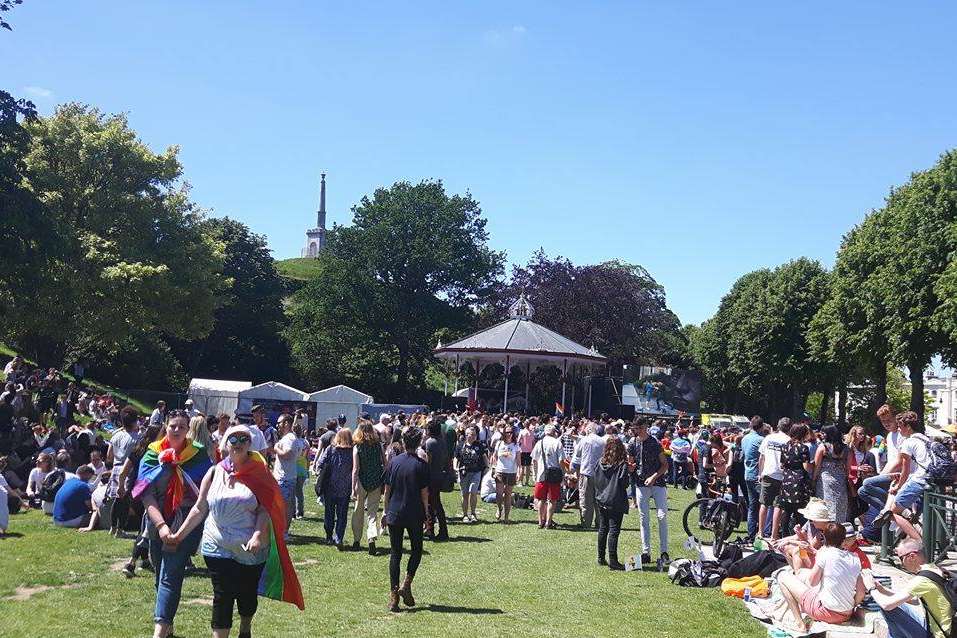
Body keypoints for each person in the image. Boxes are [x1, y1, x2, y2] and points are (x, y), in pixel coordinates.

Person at [170, 425, 305, 637]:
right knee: (222, 595)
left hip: (249, 547)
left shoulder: (260, 474)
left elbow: (265, 509)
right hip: (216, 544)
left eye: (244, 439)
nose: (239, 443)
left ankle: (245, 626)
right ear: (225, 444)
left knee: (246, 595)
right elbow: (199, 507)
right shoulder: (214, 473)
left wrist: (258, 534)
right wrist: (179, 535)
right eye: (234, 439)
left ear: (250, 444)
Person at [132, 409, 214, 638]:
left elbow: (203, 497)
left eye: (181, 426)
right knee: (159, 572)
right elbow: (145, 494)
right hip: (157, 520)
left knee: (171, 571)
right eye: (172, 426)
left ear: (188, 430)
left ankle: (159, 630)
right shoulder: (152, 454)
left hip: (186, 521)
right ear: (165, 428)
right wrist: (161, 526)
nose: (176, 430)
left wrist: (179, 529)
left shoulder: (198, 456)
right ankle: (168, 624)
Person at [777, 522, 864, 632]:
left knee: (782, 576)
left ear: (825, 538)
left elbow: (812, 582)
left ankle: (799, 624)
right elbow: (861, 592)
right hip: (846, 614)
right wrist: (849, 606)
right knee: (801, 571)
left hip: (825, 612)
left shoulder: (825, 554)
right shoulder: (855, 558)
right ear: (843, 540)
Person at [862, 538, 953, 638]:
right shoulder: (934, 569)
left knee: (887, 608)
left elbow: (886, 605)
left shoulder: (921, 580)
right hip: (941, 628)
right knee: (893, 605)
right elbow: (914, 601)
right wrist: (882, 590)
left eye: (901, 558)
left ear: (912, 556)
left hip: (938, 635)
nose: (901, 563)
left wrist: (871, 588)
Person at [383, 426, 430, 613]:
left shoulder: (394, 462)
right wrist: (427, 515)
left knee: (395, 554)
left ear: (403, 442)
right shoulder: (421, 465)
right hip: (414, 512)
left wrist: (385, 512)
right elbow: (424, 493)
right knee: (416, 550)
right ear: (418, 443)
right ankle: (406, 584)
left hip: (394, 511)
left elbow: (386, 490)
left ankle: (394, 596)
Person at [872, 411, 931, 541]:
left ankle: (921, 542)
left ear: (908, 427)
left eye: (900, 426)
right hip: (930, 481)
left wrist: (898, 486)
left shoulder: (908, 442)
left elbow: (905, 469)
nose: (898, 429)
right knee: (914, 513)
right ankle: (909, 517)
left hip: (918, 480)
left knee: (891, 512)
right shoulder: (925, 438)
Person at [858, 404, 904, 540]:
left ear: (896, 418)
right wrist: (882, 474)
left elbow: (899, 460)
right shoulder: (890, 436)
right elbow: (891, 460)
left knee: (867, 483)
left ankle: (892, 509)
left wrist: (882, 475)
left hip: (900, 475)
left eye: (889, 420)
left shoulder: (902, 434)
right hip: (891, 474)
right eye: (883, 421)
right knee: (862, 491)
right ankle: (891, 509)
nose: (886, 424)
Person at [628, 418, 670, 566]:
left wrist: (654, 476)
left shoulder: (655, 443)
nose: (637, 430)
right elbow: (631, 463)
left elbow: (665, 465)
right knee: (643, 518)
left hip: (657, 483)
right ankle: (646, 552)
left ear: (645, 427)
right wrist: (630, 467)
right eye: (635, 428)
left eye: (639, 427)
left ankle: (664, 551)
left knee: (662, 516)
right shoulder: (632, 443)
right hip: (640, 484)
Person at [594, 437, 629, 570]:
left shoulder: (599, 462)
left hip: (602, 498)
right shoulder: (622, 464)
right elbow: (624, 483)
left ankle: (601, 557)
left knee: (603, 528)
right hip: (615, 499)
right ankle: (613, 561)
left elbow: (595, 478)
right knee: (614, 530)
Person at [106, 406, 142, 535]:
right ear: (134, 421)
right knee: (126, 501)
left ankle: (113, 527)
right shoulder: (137, 438)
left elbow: (109, 456)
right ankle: (120, 529)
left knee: (116, 500)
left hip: (116, 467)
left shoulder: (115, 435)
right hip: (128, 468)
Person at [351, 420, 385, 554]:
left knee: (358, 510)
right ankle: (371, 536)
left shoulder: (357, 447)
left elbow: (355, 469)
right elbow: (385, 463)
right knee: (372, 512)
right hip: (376, 480)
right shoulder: (378, 446)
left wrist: (353, 487)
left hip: (361, 481)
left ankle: (356, 540)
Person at [316, 428, 354, 549]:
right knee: (342, 515)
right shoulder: (352, 451)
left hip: (330, 487)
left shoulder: (331, 449)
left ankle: (328, 536)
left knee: (329, 513)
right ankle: (339, 538)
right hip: (345, 488)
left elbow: (320, 463)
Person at [759, 417, 792, 540]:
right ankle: (774, 535)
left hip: (768, 473)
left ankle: (760, 533)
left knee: (764, 504)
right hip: (783, 476)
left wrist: (760, 472)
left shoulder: (769, 438)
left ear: (778, 426)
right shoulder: (789, 441)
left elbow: (761, 457)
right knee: (778, 506)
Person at [778, 423, 814, 534]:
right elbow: (806, 467)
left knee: (786, 511)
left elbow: (782, 465)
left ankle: (784, 534)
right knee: (800, 511)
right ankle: (801, 535)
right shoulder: (803, 448)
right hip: (799, 481)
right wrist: (814, 464)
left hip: (786, 479)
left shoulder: (784, 446)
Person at [272, 415, 302, 538]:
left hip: (285, 478)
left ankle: (284, 532)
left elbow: (287, 454)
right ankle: (282, 530)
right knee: (284, 506)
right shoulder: (288, 437)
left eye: (279, 422)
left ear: (286, 423)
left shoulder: (289, 438)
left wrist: (276, 449)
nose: (277, 425)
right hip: (285, 477)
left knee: (284, 506)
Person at [813, 425, 850, 524]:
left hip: (825, 479)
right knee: (839, 504)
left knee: (824, 503)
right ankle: (838, 526)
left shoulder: (823, 447)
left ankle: (825, 527)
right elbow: (848, 468)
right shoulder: (846, 448)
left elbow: (817, 465)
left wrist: (813, 479)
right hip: (840, 479)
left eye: (824, 433)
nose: (822, 435)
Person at [531, 423, 566, 529]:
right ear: (554, 432)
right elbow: (561, 461)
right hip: (554, 475)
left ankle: (540, 521)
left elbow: (534, 459)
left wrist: (535, 473)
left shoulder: (539, 443)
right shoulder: (557, 443)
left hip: (541, 474)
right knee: (552, 500)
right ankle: (548, 521)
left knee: (541, 499)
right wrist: (563, 473)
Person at [571, 423, 605, 529]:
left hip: (586, 472)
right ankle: (600, 523)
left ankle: (586, 522)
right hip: (600, 474)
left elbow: (578, 454)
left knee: (586, 499)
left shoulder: (584, 440)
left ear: (589, 429)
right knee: (599, 500)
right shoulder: (602, 441)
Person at [423, 417, 449, 540]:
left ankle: (432, 530)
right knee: (435, 503)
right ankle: (434, 529)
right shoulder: (442, 441)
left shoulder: (430, 442)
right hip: (440, 474)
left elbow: (428, 461)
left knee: (432, 504)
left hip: (431, 476)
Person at [454, 426, 488, 522]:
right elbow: (456, 457)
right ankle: (465, 515)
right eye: (471, 435)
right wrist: (455, 467)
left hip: (476, 472)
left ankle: (473, 513)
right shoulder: (460, 445)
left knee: (473, 492)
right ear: (466, 435)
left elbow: (484, 456)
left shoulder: (479, 445)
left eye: (475, 435)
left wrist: (487, 467)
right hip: (464, 472)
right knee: (464, 494)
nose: (473, 436)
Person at [741, 416, 766, 539]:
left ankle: (750, 533)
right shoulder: (762, 440)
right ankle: (763, 532)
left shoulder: (744, 438)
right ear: (761, 427)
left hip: (747, 474)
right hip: (758, 475)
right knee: (764, 504)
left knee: (752, 505)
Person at [490, 426, 521, 523]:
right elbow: (494, 457)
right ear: (504, 433)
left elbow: (518, 461)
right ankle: (499, 508)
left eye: (511, 432)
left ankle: (506, 517)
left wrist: (519, 472)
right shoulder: (499, 443)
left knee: (508, 495)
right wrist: (493, 467)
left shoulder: (516, 446)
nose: (509, 434)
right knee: (499, 494)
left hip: (511, 472)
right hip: (500, 471)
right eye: (507, 432)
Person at [518, 420, 537, 486]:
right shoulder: (532, 433)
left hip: (523, 451)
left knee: (522, 467)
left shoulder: (522, 432)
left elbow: (518, 441)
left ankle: (521, 482)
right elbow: (533, 443)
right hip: (529, 451)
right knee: (528, 467)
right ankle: (526, 482)